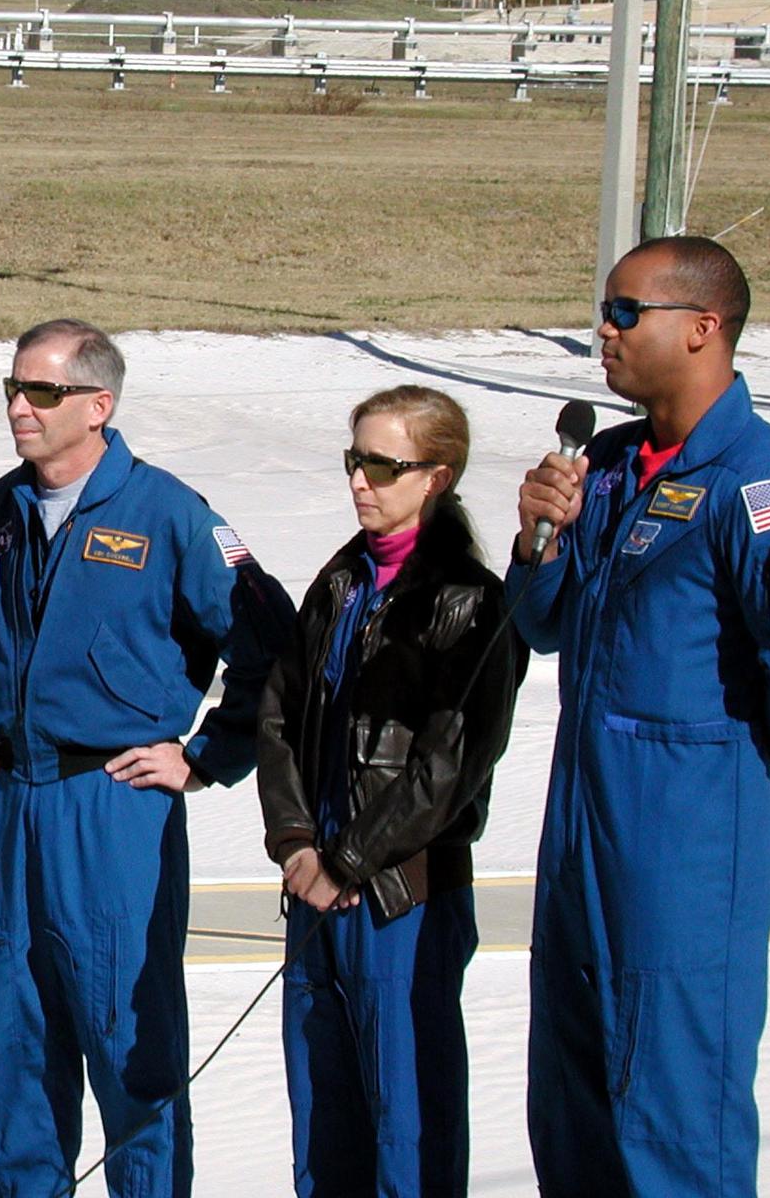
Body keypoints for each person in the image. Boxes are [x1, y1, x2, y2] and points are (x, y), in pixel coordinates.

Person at [511, 236, 770, 1196]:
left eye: (626, 313)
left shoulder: (762, 482)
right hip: (582, 832)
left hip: (684, 845)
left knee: (670, 1118)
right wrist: (538, 541)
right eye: (605, 311)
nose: (604, 332)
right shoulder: (610, 463)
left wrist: (711, 758)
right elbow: (543, 625)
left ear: (704, 328)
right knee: (573, 1109)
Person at [0, 318, 295, 1198]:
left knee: (129, 1037)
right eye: (13, 389)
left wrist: (206, 756)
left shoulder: (167, 514)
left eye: (42, 391)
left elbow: (271, 643)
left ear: (98, 405)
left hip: (114, 805)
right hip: (17, 802)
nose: (20, 407)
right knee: (15, 1037)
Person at [256, 386, 525, 1198]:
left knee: (406, 1118)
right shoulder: (340, 582)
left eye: (381, 465)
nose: (359, 481)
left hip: (401, 893)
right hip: (317, 883)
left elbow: (452, 764)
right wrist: (296, 844)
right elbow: (279, 714)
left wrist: (349, 860)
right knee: (324, 1113)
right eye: (354, 460)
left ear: (436, 476)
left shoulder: (470, 602)